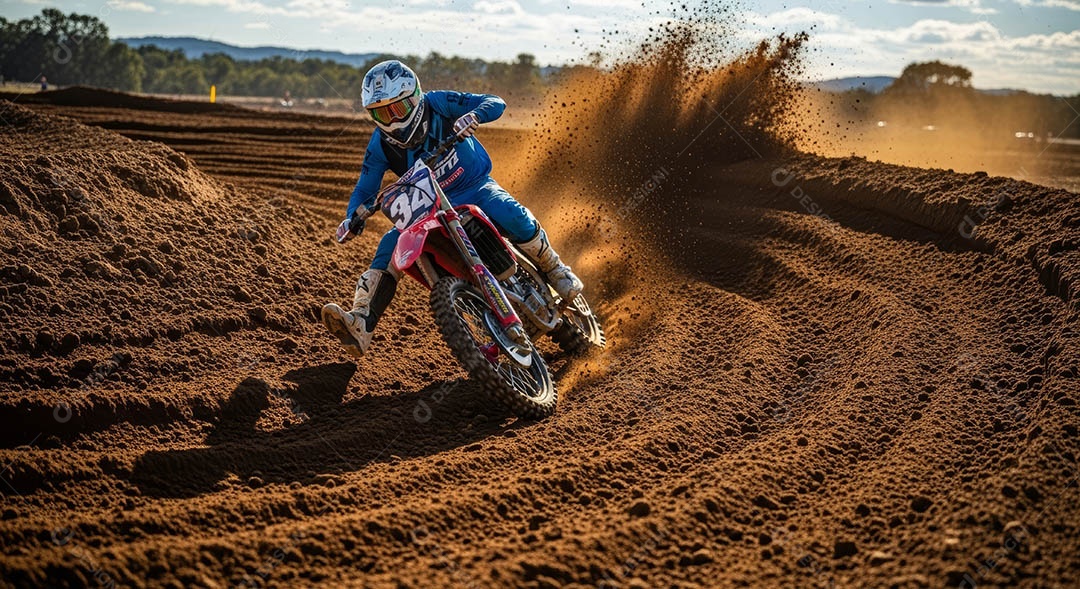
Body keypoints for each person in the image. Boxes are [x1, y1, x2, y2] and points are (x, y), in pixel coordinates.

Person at [321, 60, 583, 358]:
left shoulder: (438, 103)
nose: (392, 119)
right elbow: (365, 188)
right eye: (382, 113)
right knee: (389, 245)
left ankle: (554, 267)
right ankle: (361, 322)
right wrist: (351, 216)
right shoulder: (381, 144)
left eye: (398, 109)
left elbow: (494, 102)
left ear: (416, 97)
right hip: (426, 205)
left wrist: (474, 115)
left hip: (473, 186)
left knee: (506, 210)